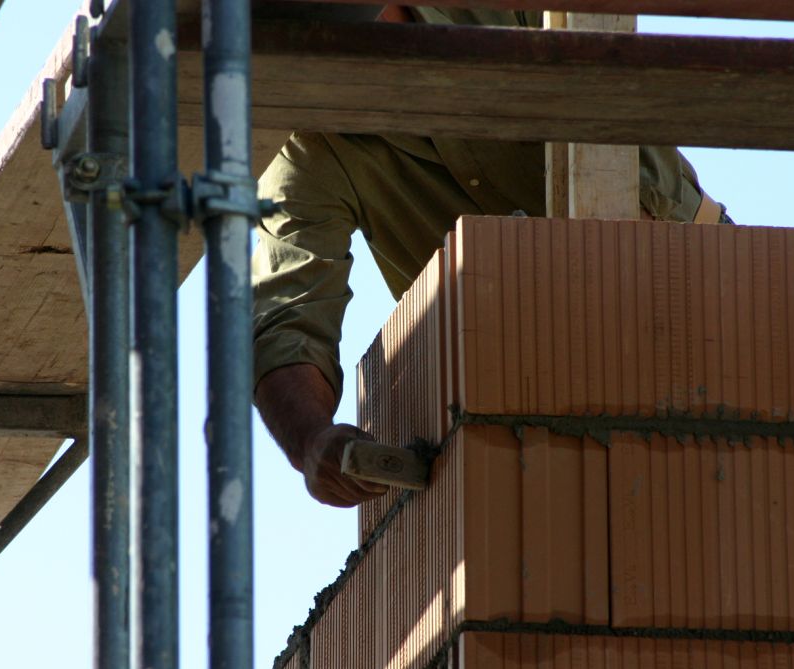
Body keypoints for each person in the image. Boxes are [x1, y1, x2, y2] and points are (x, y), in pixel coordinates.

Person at [251, 7, 728, 507]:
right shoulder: (307, 147)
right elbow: (288, 317)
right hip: (531, 392)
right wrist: (312, 440)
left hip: (694, 283)